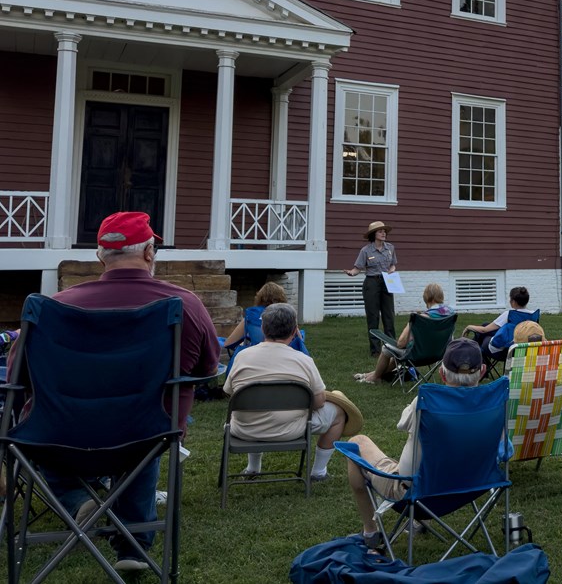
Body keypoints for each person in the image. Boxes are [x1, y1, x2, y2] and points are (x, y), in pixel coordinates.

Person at [40, 211, 219, 573]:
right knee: (143, 434)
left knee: (41, 438)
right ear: (150, 253)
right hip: (148, 432)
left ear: (99, 255)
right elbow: (207, 369)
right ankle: (133, 546)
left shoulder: (54, 307)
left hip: (62, 433)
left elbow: (19, 373)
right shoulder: (183, 304)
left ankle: (78, 504)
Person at [344, 338, 486, 551]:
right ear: (482, 371)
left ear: (442, 373)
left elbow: (402, 424)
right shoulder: (494, 401)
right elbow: (506, 451)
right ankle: (422, 521)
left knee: (357, 442)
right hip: (471, 487)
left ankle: (370, 532)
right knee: (428, 454)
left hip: (415, 494)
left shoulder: (426, 401)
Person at [224, 303, 351, 483]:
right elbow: (319, 402)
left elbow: (230, 392)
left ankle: (253, 467)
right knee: (339, 412)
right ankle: (318, 471)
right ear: (295, 331)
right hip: (291, 430)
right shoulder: (304, 360)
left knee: (256, 407)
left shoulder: (242, 357)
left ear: (262, 328)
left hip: (244, 429)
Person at [353, 283, 454, 384]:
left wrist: (410, 323)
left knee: (386, 349)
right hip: (438, 354)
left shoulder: (422, 318)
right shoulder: (450, 313)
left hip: (416, 355)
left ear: (427, 297)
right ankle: (370, 375)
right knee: (395, 358)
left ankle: (375, 377)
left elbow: (400, 343)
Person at [346, 221, 397, 356]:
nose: (383, 233)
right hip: (371, 284)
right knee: (373, 317)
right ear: (374, 234)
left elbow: (393, 265)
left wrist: (391, 271)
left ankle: (392, 348)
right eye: (380, 231)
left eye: (384, 231)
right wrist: (351, 273)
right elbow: (358, 268)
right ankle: (375, 351)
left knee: (389, 316)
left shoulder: (390, 248)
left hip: (387, 282)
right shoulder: (366, 250)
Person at [464, 285, 533, 361]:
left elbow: (484, 330)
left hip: (505, 351)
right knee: (485, 324)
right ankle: (475, 354)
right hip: (522, 349)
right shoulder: (533, 315)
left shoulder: (509, 315)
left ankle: (471, 353)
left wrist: (469, 327)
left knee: (483, 337)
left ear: (513, 301)